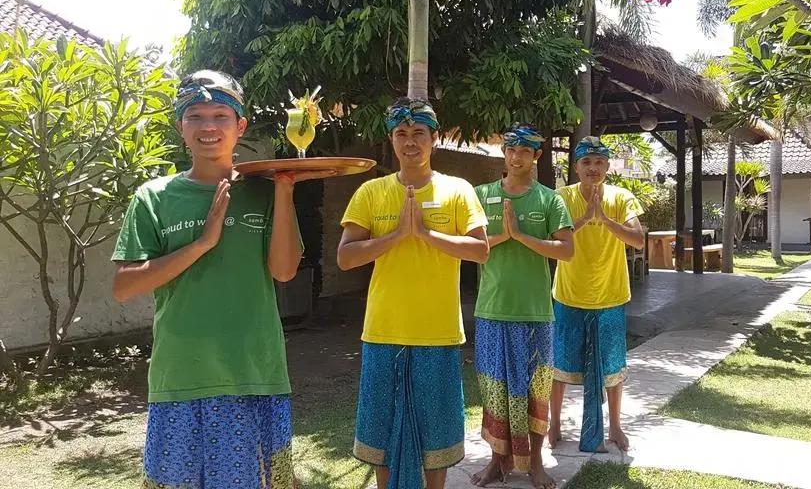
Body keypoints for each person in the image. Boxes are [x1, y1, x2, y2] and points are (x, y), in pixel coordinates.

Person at [112, 70, 318, 488]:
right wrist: (203, 243)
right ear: (180, 127)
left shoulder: (263, 191)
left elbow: (283, 271)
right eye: (196, 116)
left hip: (254, 372)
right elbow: (124, 286)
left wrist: (283, 191)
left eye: (221, 115)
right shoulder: (154, 198)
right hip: (181, 376)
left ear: (240, 126)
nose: (209, 126)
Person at [337, 98, 489, 489]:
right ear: (391, 139)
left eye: (419, 133)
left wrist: (424, 233)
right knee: (381, 432)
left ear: (434, 139)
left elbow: (480, 250)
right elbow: (346, 257)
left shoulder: (458, 190)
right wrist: (396, 236)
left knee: (437, 433)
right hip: (383, 331)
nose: (410, 142)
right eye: (401, 133)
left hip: (438, 333)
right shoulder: (371, 192)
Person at [470, 124, 574, 489]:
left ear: (536, 156)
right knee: (495, 391)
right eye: (511, 150)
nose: (517, 157)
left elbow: (567, 250)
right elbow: (469, 247)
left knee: (536, 391)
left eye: (525, 151)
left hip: (535, 313)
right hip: (491, 310)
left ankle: (535, 463)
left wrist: (523, 237)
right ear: (504, 153)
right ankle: (496, 461)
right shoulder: (481, 195)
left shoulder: (549, 199)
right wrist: (505, 235)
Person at [548, 136, 645, 453]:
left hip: (610, 296)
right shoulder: (561, 197)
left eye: (599, 162)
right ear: (576, 166)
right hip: (568, 295)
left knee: (613, 367)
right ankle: (554, 424)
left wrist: (603, 218)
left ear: (607, 166)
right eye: (586, 162)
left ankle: (615, 426)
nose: (593, 168)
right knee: (560, 365)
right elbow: (553, 237)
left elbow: (638, 239)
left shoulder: (621, 197)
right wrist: (584, 219)